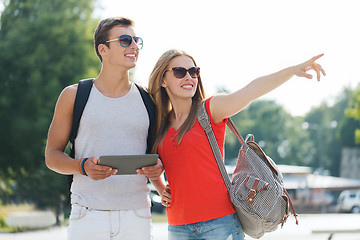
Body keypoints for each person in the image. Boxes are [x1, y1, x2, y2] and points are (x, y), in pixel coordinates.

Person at [147, 49, 325, 240]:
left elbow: (251, 90)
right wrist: (160, 188)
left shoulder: (210, 110)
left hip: (220, 223)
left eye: (194, 71)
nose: (189, 77)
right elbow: (149, 165)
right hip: (178, 226)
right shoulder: (159, 124)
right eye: (180, 72)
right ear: (163, 80)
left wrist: (291, 70)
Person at [44, 17, 164, 240]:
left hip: (137, 215)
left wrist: (158, 171)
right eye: (125, 40)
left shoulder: (149, 100)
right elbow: (52, 156)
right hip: (87, 214)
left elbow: (158, 155)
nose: (134, 46)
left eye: (137, 40)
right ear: (103, 49)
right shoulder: (74, 95)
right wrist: (82, 166)